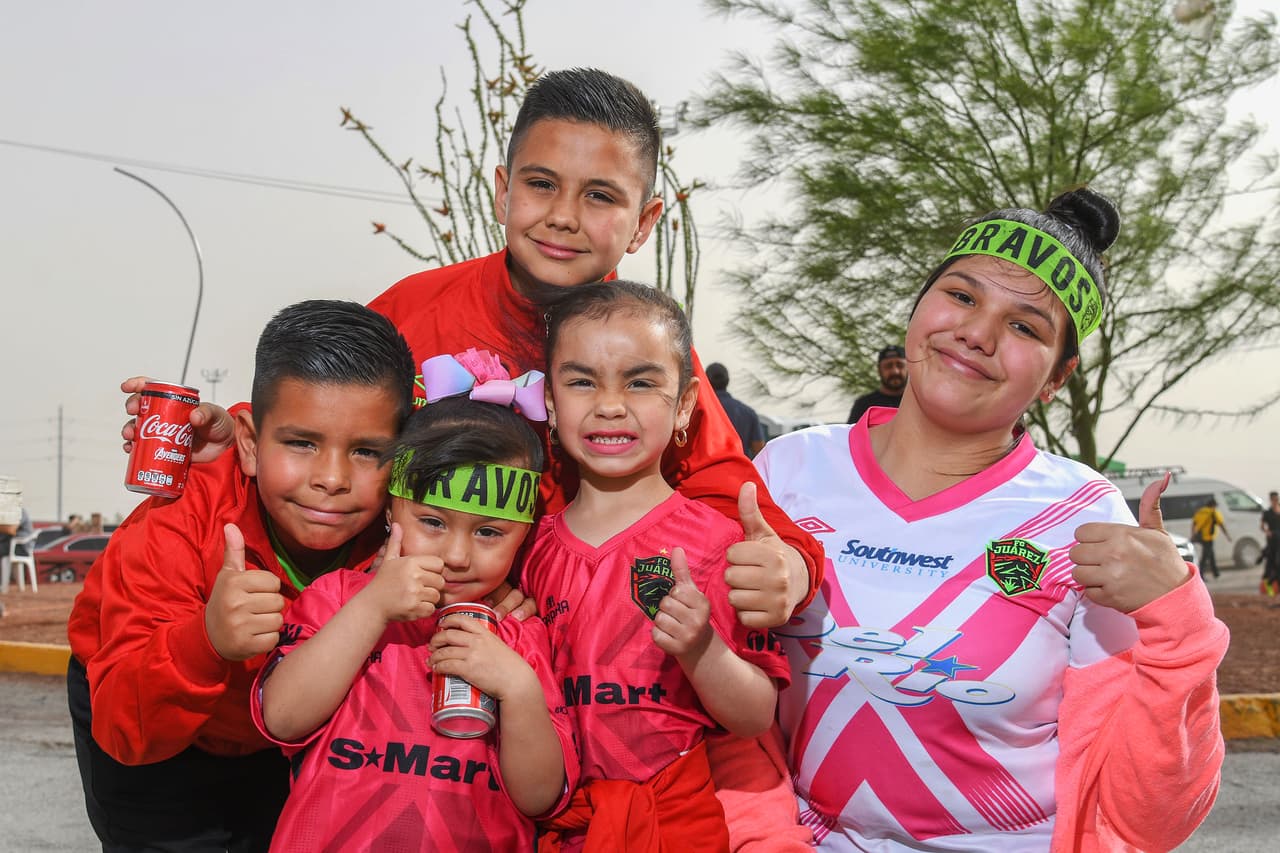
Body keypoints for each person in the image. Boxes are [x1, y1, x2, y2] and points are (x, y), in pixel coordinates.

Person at [122, 67, 823, 630]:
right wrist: (233, 433)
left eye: (600, 197)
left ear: (643, 223)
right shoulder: (413, 312)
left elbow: (729, 496)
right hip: (375, 650)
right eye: (541, 184)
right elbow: (322, 418)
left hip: (543, 663)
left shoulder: (647, 357)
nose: (563, 216)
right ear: (502, 191)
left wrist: (790, 568)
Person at [748, 189, 1228, 850]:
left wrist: (1180, 625)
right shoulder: (787, 470)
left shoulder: (1085, 518)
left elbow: (1148, 816)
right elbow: (717, 710)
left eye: (1026, 327)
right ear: (918, 307)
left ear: (1057, 377)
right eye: (962, 296)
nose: (978, 333)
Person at [67, 300, 417, 851]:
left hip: (280, 735)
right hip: (148, 718)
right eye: (302, 443)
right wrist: (205, 640)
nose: (332, 479)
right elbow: (123, 730)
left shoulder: (407, 522)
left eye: (367, 451)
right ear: (249, 444)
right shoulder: (177, 521)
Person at [252, 383, 578, 851]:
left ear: (524, 534)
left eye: (489, 532)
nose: (457, 555)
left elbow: (540, 797)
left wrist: (519, 688)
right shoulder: (339, 597)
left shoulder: (521, 634)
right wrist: (372, 607)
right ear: (391, 510)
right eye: (433, 522)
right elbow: (282, 719)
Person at [528, 281, 789, 851]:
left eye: (641, 382)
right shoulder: (526, 548)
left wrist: (702, 650)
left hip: (674, 826)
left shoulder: (717, 545)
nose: (610, 405)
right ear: (549, 400)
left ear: (686, 404)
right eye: (581, 382)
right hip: (552, 827)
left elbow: (755, 716)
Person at [705, 362, 766, 457]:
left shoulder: (696, 411)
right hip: (739, 465)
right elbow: (760, 451)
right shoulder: (748, 413)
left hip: (708, 466)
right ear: (728, 381)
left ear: (706, 381)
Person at [846, 344, 909, 424]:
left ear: (909, 368)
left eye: (900, 365)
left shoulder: (919, 401)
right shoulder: (864, 404)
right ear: (879, 370)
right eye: (888, 366)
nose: (895, 371)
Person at [1191, 495, 1230, 579]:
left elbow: (1194, 523)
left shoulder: (1200, 511)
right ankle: (1200, 574)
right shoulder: (1213, 512)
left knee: (1211, 554)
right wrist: (1227, 536)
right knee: (1205, 556)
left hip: (1201, 537)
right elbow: (1221, 525)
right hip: (1209, 538)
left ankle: (1216, 573)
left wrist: (1193, 534)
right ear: (1213, 505)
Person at [1261, 491, 1280, 596]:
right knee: (1271, 563)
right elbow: (1262, 526)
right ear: (1271, 500)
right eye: (1273, 500)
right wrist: (1267, 531)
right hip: (1273, 541)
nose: (1275, 501)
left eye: (1277, 499)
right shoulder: (1267, 513)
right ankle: (1269, 586)